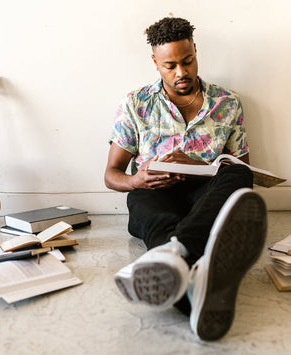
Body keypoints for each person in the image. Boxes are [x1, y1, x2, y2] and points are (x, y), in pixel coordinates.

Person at [104, 17, 267, 341]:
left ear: (195, 51)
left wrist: (197, 164)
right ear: (155, 62)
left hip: (205, 193)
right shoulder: (136, 103)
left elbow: (242, 167)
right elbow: (111, 174)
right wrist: (136, 181)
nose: (181, 72)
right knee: (152, 212)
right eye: (170, 65)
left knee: (237, 174)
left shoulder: (227, 103)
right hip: (153, 192)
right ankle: (196, 280)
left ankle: (172, 252)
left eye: (187, 61)